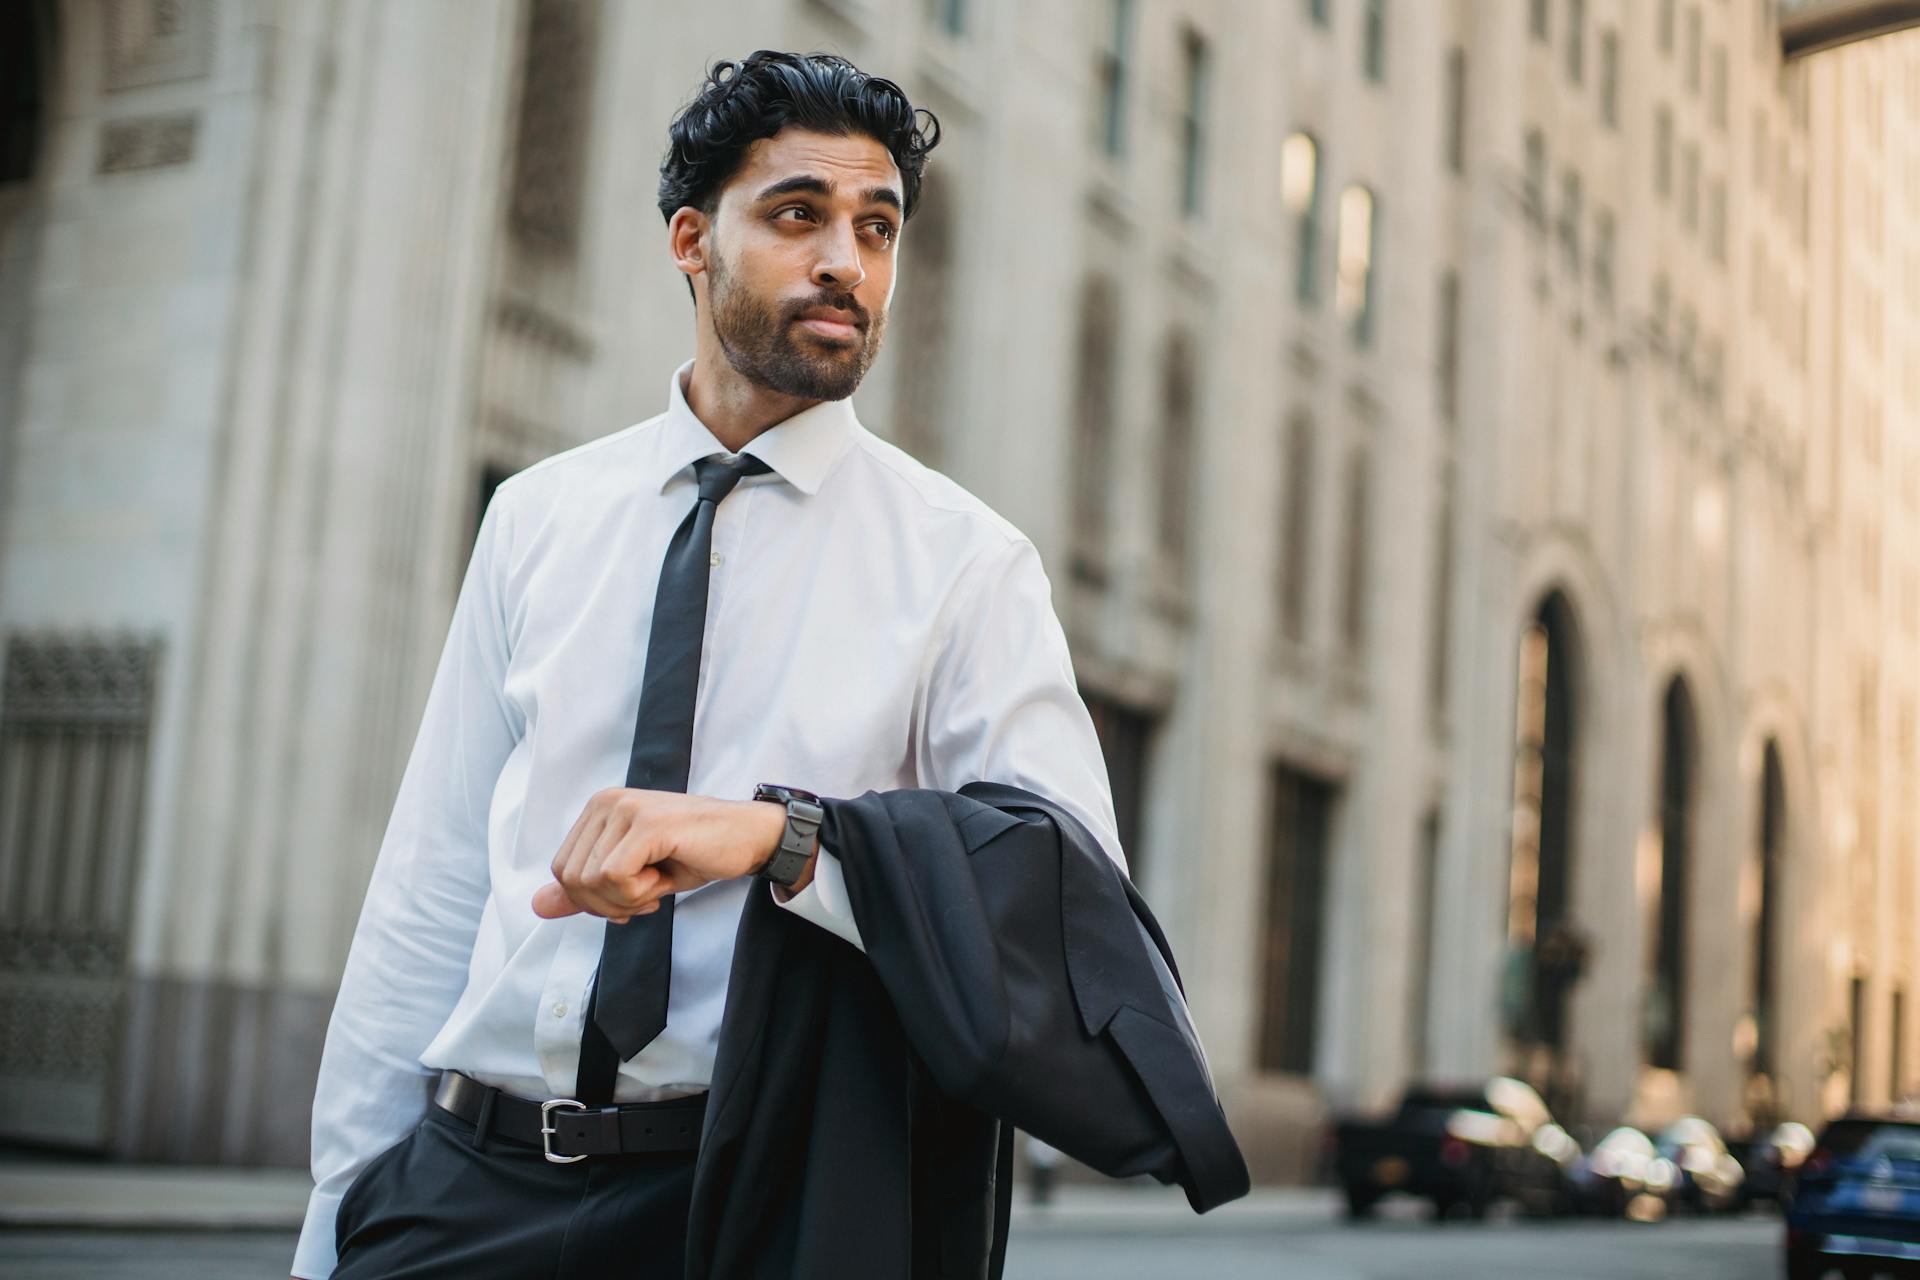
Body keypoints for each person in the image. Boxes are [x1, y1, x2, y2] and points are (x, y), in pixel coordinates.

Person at [291, 49, 1129, 1279]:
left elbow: (1068, 899)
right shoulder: (539, 515)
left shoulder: (969, 565)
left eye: (878, 227)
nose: (847, 259)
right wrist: (338, 1219)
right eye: (800, 215)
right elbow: (426, 891)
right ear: (692, 239)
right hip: (475, 1187)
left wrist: (784, 838)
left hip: (765, 1210)